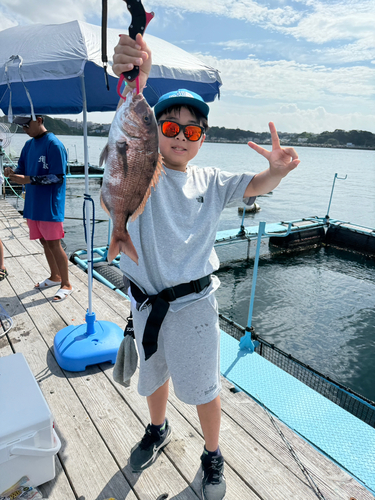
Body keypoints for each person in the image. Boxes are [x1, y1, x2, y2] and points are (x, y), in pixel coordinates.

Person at [112, 34, 300, 500]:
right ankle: (158, 429)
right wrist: (136, 76)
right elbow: (129, 126)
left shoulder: (211, 180)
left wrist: (276, 170)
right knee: (153, 376)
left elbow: (256, 184)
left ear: (202, 138)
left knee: (204, 386)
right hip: (144, 301)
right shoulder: (143, 167)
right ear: (154, 132)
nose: (179, 135)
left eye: (191, 130)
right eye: (168, 126)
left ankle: (212, 453)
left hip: (195, 307)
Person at [4, 115, 73, 301]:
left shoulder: (54, 145)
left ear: (40, 120)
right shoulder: (28, 145)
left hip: (50, 204)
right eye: (22, 126)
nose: (25, 129)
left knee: (54, 243)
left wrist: (29, 180)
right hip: (33, 203)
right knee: (43, 242)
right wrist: (12, 173)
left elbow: (58, 176)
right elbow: (22, 168)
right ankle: (54, 276)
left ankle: (66, 283)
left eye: (27, 124)